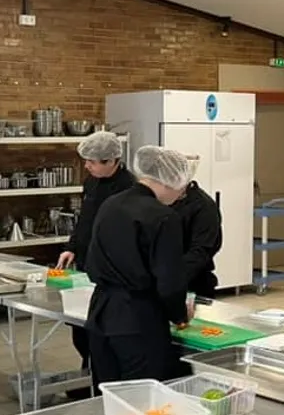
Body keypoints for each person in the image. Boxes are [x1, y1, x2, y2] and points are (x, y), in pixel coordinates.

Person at [84, 146, 191, 385]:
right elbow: (169, 280)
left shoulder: (111, 204)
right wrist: (179, 315)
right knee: (142, 400)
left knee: (109, 397)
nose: (180, 196)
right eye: (182, 189)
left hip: (100, 313)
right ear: (170, 181)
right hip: (138, 318)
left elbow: (93, 258)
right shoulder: (163, 217)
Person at [55, 131, 135, 398]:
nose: (86, 166)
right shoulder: (91, 183)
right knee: (80, 326)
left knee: (100, 326)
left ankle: (102, 385)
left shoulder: (129, 188)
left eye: (92, 161)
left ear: (112, 160)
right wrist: (71, 248)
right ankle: (87, 375)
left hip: (111, 270)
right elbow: (84, 220)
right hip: (86, 262)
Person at [166, 157, 222, 298]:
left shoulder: (203, 207)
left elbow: (201, 251)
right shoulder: (163, 201)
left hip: (194, 282)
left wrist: (172, 279)